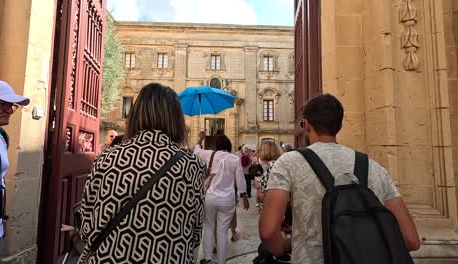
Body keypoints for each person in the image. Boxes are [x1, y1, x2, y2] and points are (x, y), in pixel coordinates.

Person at [259, 94, 420, 263]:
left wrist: (285, 246)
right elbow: (411, 240)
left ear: (305, 124)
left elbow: (268, 232)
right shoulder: (374, 168)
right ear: (340, 125)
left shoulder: (289, 162)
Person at [78, 83, 205, 263]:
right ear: (177, 119)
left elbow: (86, 227)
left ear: (135, 115)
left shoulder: (106, 158)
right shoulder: (192, 165)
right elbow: (196, 233)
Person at [0, 80, 30, 264]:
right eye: (2, 103)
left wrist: (3, 219)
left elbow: (0, 182)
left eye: (11, 105)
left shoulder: (1, 136)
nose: (8, 110)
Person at [194, 132, 249, 264]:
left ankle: (207, 258)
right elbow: (240, 181)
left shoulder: (209, 154)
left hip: (211, 198)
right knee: (223, 231)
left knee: (208, 227)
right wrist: (244, 196)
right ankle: (221, 261)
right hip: (227, 200)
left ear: (217, 146)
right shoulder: (234, 159)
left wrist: (200, 139)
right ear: (229, 146)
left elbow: (196, 151)